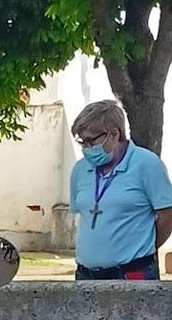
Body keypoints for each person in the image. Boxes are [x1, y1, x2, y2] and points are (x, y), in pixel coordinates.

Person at [69, 100, 172, 280]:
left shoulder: (146, 164)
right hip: (86, 274)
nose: (86, 148)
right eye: (82, 142)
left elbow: (167, 215)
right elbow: (84, 217)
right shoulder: (80, 169)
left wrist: (145, 247)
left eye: (91, 141)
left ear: (114, 135)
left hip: (132, 272)